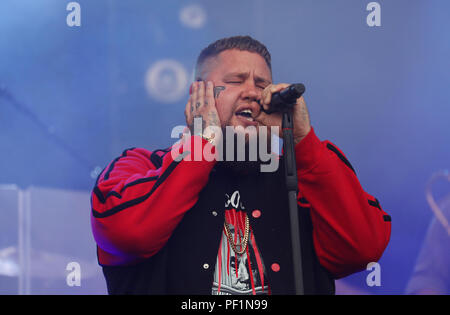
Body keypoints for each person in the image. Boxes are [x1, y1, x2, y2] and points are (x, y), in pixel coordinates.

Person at [90, 35, 391, 295]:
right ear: (199, 94)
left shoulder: (301, 181)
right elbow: (128, 236)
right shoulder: (138, 167)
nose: (252, 91)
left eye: (262, 84)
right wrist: (203, 141)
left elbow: (362, 249)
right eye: (235, 81)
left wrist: (301, 142)